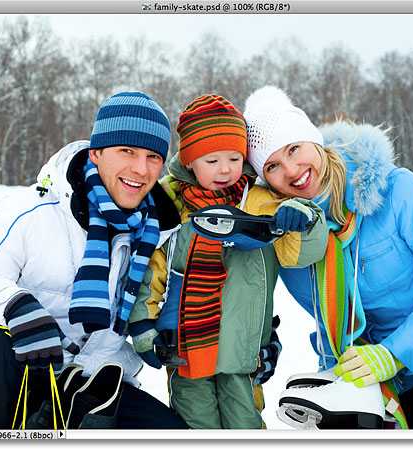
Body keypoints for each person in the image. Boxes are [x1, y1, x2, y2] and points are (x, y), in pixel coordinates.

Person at [241, 86, 413, 429]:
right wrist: (256, 350)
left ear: (313, 140)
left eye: (294, 148)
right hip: (358, 381)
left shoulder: (397, 190)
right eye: (273, 165)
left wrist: (392, 353)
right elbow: (247, 293)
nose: (293, 170)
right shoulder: (287, 236)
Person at [0, 92, 189, 430]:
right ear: (96, 153)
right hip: (27, 377)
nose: (141, 168)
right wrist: (10, 304)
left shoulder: (157, 231)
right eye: (127, 151)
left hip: (96, 384)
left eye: (153, 156)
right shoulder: (31, 214)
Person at [126, 94, 328, 429]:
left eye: (235, 158)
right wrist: (143, 326)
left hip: (244, 354)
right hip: (186, 349)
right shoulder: (171, 208)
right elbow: (151, 270)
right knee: (194, 426)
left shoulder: (261, 202)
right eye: (211, 160)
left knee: (245, 426)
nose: (225, 169)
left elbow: (301, 253)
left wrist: (303, 217)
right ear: (189, 162)